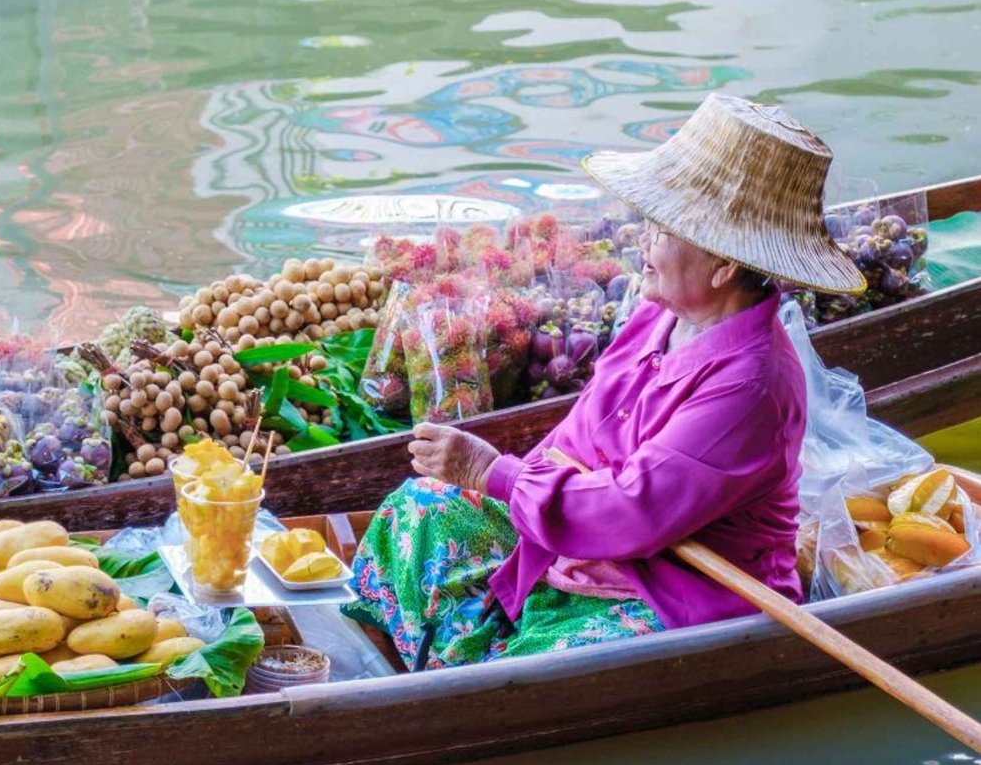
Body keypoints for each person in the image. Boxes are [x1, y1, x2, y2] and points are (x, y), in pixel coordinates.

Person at [345, 94, 867, 670]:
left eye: (662, 231)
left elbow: (633, 511)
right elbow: (577, 441)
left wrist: (494, 472)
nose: (643, 243)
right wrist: (514, 488)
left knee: (549, 661)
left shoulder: (752, 384)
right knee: (422, 507)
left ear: (722, 265)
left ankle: (465, 663)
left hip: (681, 586)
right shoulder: (660, 316)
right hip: (594, 537)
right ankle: (455, 652)